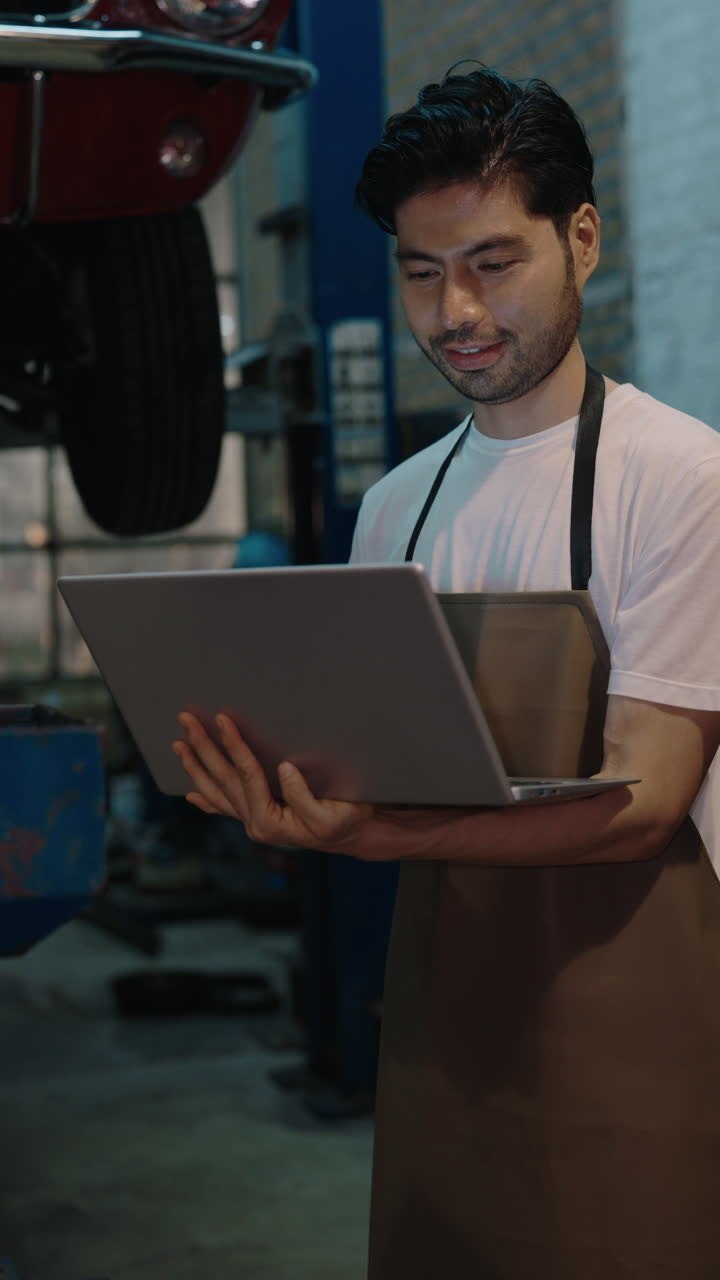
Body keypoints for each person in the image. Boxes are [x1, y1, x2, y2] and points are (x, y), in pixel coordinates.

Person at [172, 67, 720, 1279]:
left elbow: (645, 799)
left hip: (640, 1020)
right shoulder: (395, 508)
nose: (455, 309)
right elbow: (367, 761)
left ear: (583, 239)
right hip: (443, 1020)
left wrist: (375, 835)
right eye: (421, 272)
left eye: (491, 262)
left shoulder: (681, 479)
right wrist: (274, 778)